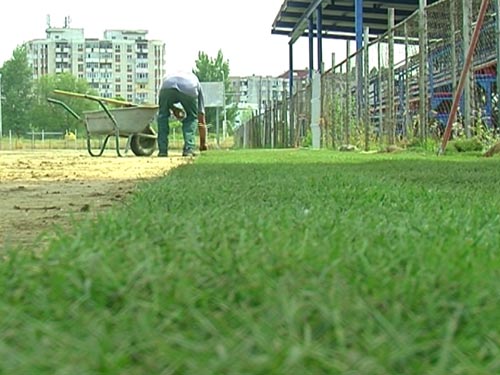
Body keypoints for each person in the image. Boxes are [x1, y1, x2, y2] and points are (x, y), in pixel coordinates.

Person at [157, 71, 207, 157]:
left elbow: (164, 102)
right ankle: (189, 149)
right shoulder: (196, 82)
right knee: (192, 118)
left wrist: (172, 108)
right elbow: (201, 120)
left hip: (166, 86)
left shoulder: (169, 75)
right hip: (189, 87)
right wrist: (203, 143)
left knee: (163, 116)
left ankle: (162, 150)